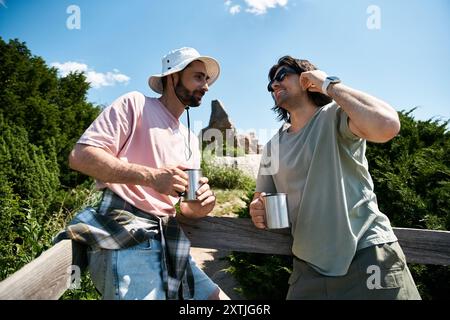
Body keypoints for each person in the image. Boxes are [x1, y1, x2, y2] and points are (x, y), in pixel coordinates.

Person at [249, 55, 421, 300]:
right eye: (270, 83)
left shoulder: (335, 115)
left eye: (282, 75)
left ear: (307, 78)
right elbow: (261, 199)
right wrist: (258, 209)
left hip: (368, 257)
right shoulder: (272, 146)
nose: (274, 85)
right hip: (306, 269)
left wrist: (328, 84)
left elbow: (387, 125)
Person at [67, 47, 229, 300]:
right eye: (198, 77)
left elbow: (182, 207)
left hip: (168, 238)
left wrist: (200, 206)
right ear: (172, 77)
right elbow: (81, 156)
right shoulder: (135, 103)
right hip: (126, 235)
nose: (206, 86)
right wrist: (151, 177)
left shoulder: (189, 138)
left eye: (206, 80)